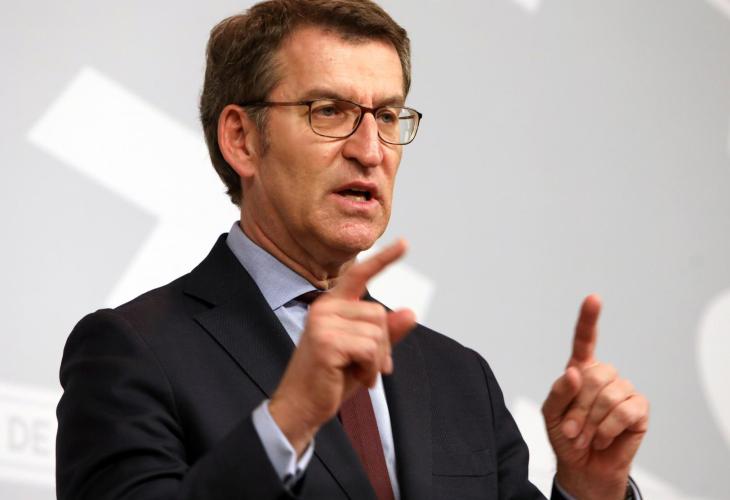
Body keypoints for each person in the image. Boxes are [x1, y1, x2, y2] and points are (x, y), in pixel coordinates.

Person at [56, 1, 649, 499]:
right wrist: (288, 419)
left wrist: (590, 489)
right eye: (329, 111)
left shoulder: (459, 378)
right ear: (242, 139)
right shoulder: (133, 351)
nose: (371, 150)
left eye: (387, 115)